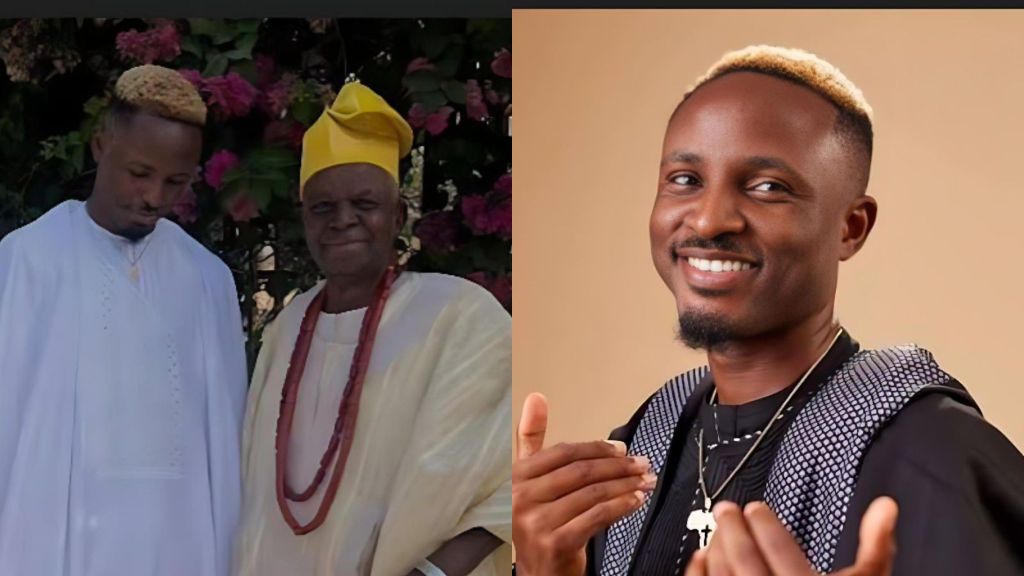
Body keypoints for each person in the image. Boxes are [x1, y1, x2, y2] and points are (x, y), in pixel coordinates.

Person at [512, 45, 1024, 576]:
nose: (709, 220)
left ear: (851, 227)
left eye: (767, 187)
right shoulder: (645, 443)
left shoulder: (932, 453)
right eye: (685, 179)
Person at [233, 81, 512, 576]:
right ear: (304, 221)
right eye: (323, 208)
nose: (343, 221)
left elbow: (509, 483)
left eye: (364, 204)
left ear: (398, 215)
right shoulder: (287, 327)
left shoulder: (458, 315)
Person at [0, 64, 247, 576]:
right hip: (55, 543)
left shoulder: (207, 280)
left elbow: (224, 448)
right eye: (139, 173)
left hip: (179, 544)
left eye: (175, 181)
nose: (155, 197)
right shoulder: (26, 262)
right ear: (98, 146)